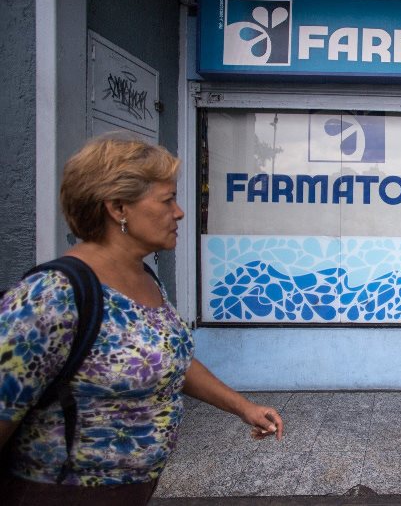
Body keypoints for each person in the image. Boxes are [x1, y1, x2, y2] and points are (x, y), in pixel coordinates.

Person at [0, 135, 284, 504]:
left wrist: (243, 407)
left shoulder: (145, 278)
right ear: (118, 208)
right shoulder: (50, 296)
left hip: (134, 491)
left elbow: (166, 359)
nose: (180, 212)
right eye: (167, 200)